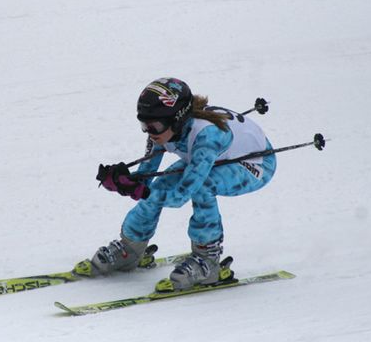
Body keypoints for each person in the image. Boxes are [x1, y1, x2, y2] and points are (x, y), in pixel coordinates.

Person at [75, 77, 277, 291]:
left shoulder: (207, 137)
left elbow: (181, 195)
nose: (149, 132)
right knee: (161, 185)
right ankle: (131, 249)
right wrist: (122, 181)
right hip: (213, 158)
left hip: (255, 164)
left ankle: (208, 261)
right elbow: (147, 176)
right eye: (144, 125)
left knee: (203, 186)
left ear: (177, 119)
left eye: (153, 126)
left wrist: (139, 190)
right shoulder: (163, 129)